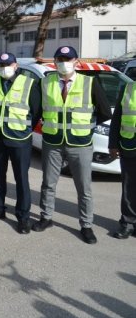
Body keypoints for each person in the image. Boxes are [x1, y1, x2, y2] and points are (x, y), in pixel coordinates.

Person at [33, 46, 112, 244]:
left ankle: (86, 225)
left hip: (81, 143)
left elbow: (104, 112)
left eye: (67, 59)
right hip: (53, 142)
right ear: (55, 61)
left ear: (76, 61)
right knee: (48, 184)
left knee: (84, 188)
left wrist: (87, 128)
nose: (63, 62)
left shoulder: (89, 83)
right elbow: (36, 110)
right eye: (60, 58)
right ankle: (46, 217)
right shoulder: (45, 82)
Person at [0, 53, 41, 234]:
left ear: (15, 65)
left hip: (19, 138)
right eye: (1, 65)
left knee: (21, 179)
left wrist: (23, 129)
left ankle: (23, 217)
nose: (4, 67)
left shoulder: (29, 84)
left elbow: (36, 111)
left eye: (7, 64)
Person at [109, 80, 136, 239]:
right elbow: (117, 117)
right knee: (129, 188)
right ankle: (127, 223)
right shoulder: (128, 88)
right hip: (129, 145)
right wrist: (113, 144)